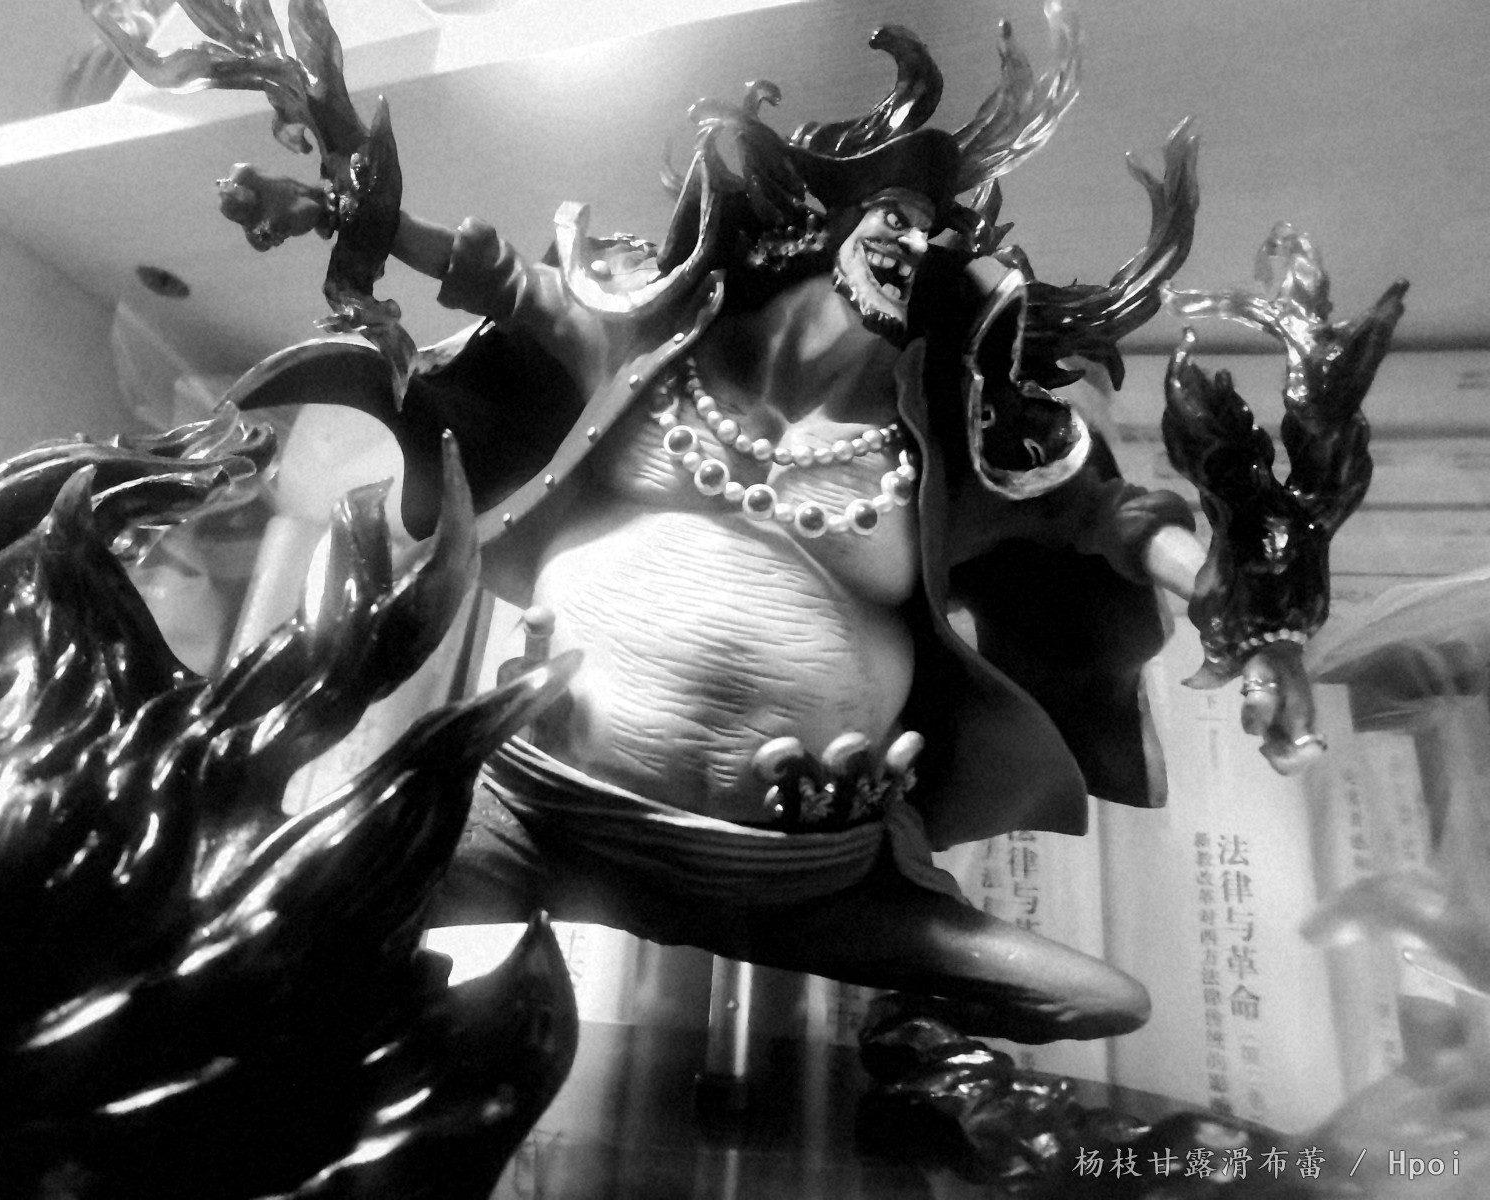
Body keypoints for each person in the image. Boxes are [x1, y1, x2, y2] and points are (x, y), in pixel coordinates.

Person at [213, 15, 1319, 1044]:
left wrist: (1248, 622)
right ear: (827, 221)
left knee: (1098, 1000)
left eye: (937, 242)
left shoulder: (948, 447)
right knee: (260, 922)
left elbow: (1110, 522)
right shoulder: (652, 342)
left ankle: (898, 1039)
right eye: (896, 217)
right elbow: (501, 282)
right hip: (532, 806)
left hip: (804, 874)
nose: (914, 246)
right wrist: (349, 212)